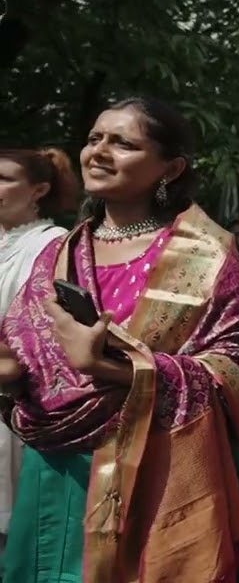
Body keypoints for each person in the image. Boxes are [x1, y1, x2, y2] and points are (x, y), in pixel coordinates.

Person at [0, 97, 239, 582]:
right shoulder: (60, 252)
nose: (99, 151)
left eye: (123, 143)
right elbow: (24, 348)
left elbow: (235, 372)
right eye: (95, 138)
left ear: (170, 168)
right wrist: (13, 374)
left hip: (154, 468)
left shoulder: (204, 255)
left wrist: (110, 369)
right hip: (56, 469)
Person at [0, 147, 78, 562]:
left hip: (23, 398)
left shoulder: (52, 244)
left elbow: (49, 330)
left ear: (39, 190)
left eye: (4, 179)